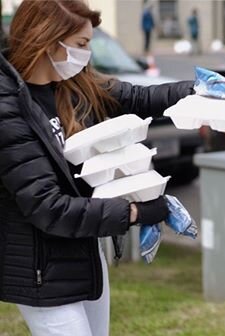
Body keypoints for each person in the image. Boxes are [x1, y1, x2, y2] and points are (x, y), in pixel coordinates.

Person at [0, 1, 194, 335]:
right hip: (41, 272)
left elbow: (138, 97)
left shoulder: (73, 83)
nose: (87, 54)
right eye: (81, 45)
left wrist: (200, 92)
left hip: (84, 253)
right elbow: (48, 208)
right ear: (47, 42)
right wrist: (134, 212)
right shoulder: (8, 107)